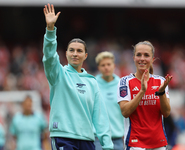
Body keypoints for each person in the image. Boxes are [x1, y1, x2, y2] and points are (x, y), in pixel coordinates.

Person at [42, 3, 113, 150]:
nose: (75, 53)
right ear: (66, 53)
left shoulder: (92, 82)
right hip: (63, 137)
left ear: (85, 55)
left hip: (87, 140)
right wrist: (50, 30)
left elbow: (99, 116)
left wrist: (107, 145)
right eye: (72, 50)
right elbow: (49, 57)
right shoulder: (58, 74)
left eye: (79, 51)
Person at [117, 41, 172, 150]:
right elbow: (125, 112)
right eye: (139, 55)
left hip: (158, 142)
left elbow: (166, 113)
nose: (142, 58)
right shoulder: (125, 82)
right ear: (133, 58)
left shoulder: (160, 81)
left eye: (146, 55)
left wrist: (161, 93)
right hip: (135, 142)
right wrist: (142, 91)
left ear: (152, 59)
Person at [94, 51, 124, 150]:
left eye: (108, 64)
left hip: (117, 139)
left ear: (114, 66)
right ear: (98, 67)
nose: (106, 67)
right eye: (103, 65)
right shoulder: (93, 84)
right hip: (98, 139)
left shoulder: (122, 85)